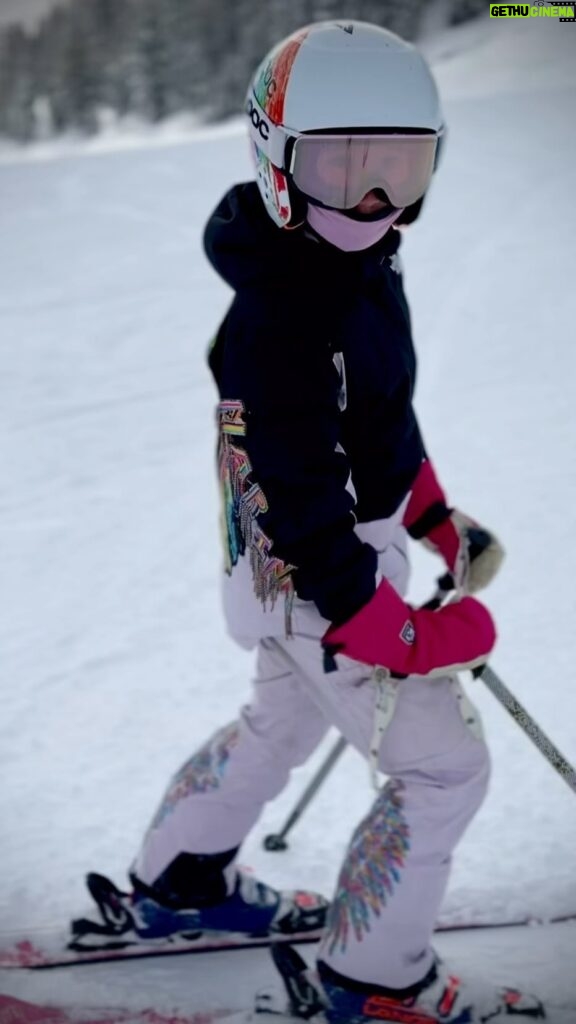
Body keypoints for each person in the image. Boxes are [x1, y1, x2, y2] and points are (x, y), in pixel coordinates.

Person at [83, 20, 544, 1023]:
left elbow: (378, 420)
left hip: (286, 583)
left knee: (276, 725)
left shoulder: (361, 267)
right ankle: (375, 982)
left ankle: (178, 885)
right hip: (315, 582)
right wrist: (395, 627)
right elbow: (295, 493)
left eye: (399, 166)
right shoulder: (279, 317)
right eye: (342, 166)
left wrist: (431, 516)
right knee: (443, 765)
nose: (373, 199)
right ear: (277, 159)